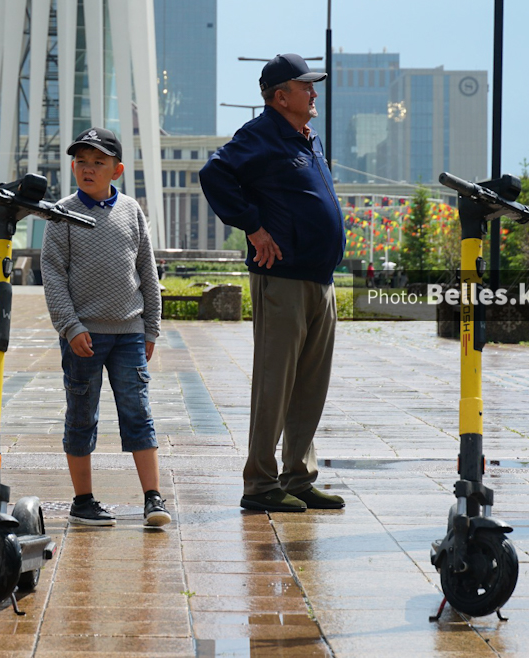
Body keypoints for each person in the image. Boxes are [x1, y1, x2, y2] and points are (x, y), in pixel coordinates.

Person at [199, 53, 346, 513]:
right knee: (274, 384)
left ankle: (298, 478)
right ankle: (260, 484)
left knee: (309, 385)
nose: (314, 93)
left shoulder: (307, 139)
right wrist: (254, 227)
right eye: (306, 86)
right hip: (281, 279)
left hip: (320, 280)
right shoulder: (261, 134)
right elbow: (214, 174)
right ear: (280, 96)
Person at [41, 126, 170, 528]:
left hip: (130, 333)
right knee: (81, 414)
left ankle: (153, 497)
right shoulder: (61, 214)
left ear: (117, 170)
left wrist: (152, 327)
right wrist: (69, 325)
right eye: (81, 161)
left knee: (138, 412)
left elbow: (147, 271)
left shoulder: (131, 212)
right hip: (83, 336)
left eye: (99, 162)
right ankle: (83, 501)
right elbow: (53, 273)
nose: (88, 169)